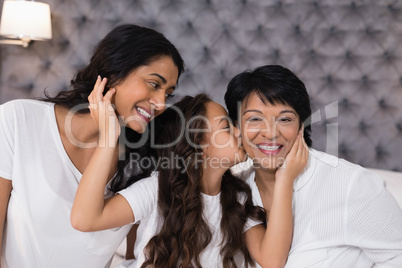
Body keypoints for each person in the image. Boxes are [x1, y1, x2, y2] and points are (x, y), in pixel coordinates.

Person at [0, 24, 184, 268]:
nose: (161, 103)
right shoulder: (18, 120)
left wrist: (109, 139)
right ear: (114, 72)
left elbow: (133, 257)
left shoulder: (144, 163)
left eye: (168, 94)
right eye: (154, 84)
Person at [70, 92, 309, 267]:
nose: (240, 132)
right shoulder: (157, 189)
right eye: (227, 126)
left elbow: (272, 260)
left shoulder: (236, 197)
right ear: (198, 143)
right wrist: (109, 137)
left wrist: (285, 179)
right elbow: (85, 219)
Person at [224, 64, 402, 267]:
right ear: (236, 128)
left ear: (301, 125)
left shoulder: (351, 184)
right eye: (255, 119)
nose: (271, 133)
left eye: (285, 119)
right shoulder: (235, 189)